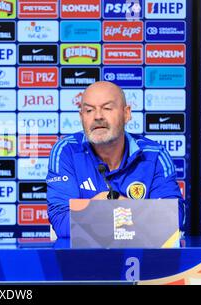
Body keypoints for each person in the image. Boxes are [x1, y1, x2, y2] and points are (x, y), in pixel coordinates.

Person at [47, 81, 186, 238]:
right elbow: (62, 223)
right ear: (81, 117)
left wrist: (106, 206)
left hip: (144, 258)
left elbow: (172, 219)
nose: (98, 116)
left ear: (126, 114)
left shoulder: (155, 155)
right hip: (83, 259)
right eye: (89, 110)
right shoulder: (66, 151)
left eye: (107, 108)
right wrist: (138, 214)